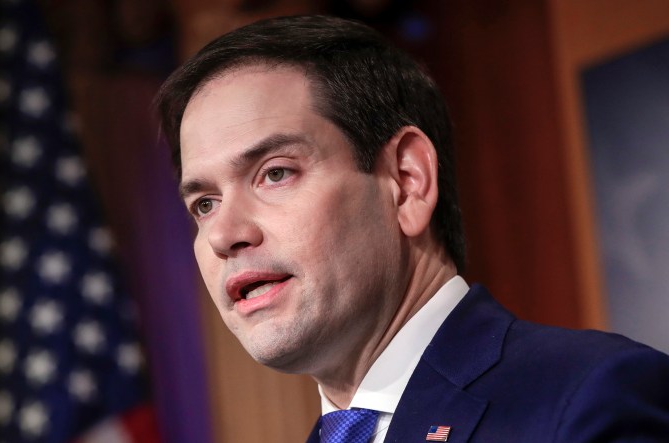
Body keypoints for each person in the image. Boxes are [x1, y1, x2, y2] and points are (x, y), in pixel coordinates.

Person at [154, 15, 669, 442]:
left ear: (406, 181)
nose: (223, 234)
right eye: (204, 204)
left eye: (275, 173)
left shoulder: (586, 400)